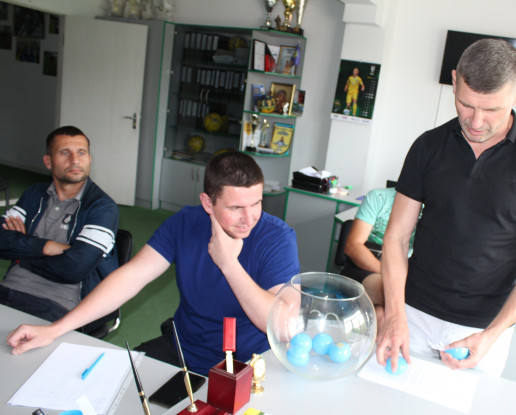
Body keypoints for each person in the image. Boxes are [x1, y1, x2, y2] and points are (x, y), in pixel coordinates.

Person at [7, 151, 300, 376]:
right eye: (236, 207)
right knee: (115, 387)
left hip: (247, 365)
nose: (249, 218)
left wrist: (229, 264)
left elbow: (282, 326)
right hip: (183, 349)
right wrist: (55, 329)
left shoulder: (277, 238)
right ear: (207, 203)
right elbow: (130, 278)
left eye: (256, 203)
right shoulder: (184, 223)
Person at [377, 39, 516, 376]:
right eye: (465, 105)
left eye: (491, 110)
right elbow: (396, 237)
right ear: (454, 81)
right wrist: (393, 315)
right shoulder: (427, 146)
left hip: (483, 329)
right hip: (412, 314)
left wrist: (492, 335)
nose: (476, 121)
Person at [0, 126, 119, 323]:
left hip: (58, 305)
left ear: (89, 159)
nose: (75, 160)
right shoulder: (34, 194)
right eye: (65, 152)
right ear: (48, 161)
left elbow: (74, 269)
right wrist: (46, 246)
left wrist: (21, 257)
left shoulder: (102, 207)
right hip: (8, 288)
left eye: (81, 153)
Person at [341, 187, 416, 323]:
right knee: (392, 292)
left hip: (400, 269)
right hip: (366, 264)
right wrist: (389, 273)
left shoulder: (429, 210)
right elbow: (352, 246)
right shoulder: (378, 197)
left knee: (380, 315)